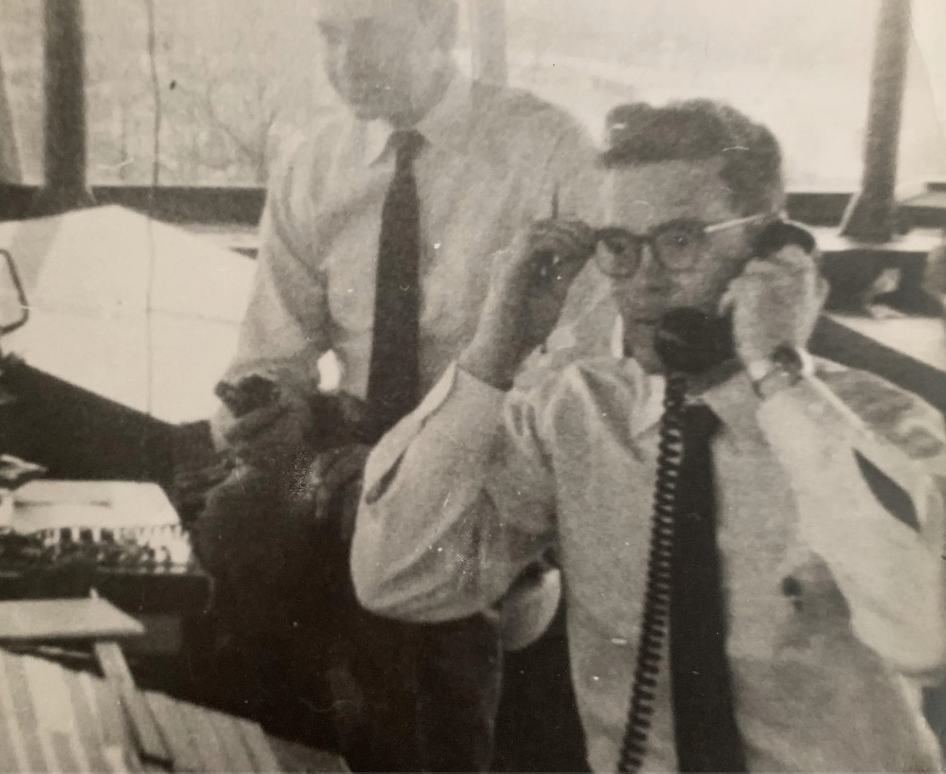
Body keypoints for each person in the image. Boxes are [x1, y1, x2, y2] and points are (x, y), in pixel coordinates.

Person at [351, 99, 946, 772]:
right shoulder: (573, 414)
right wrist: (494, 352)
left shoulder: (880, 424)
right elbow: (396, 578)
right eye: (620, 248)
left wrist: (780, 380)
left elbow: (930, 634)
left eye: (683, 240)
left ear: (770, 250)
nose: (646, 280)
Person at [191, 0, 603, 770]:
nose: (342, 59)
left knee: (411, 580)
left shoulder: (547, 149)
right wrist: (262, 410)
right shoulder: (315, 164)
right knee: (235, 525)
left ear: (440, 28)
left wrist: (424, 460)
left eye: (369, 30)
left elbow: (584, 366)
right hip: (351, 447)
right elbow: (268, 357)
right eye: (329, 33)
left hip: (496, 447)